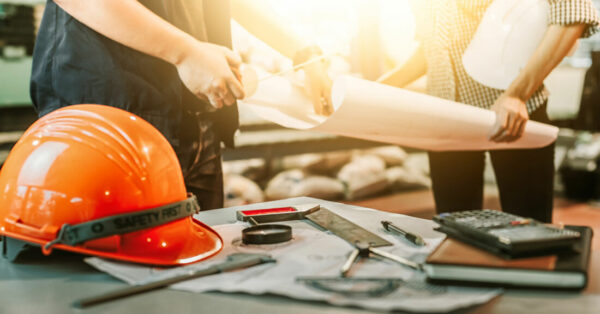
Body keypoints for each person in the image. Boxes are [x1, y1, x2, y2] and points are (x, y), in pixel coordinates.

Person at [30, 0, 331, 210]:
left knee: (200, 268)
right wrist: (185, 52)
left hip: (197, 120)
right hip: (110, 117)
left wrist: (302, 50)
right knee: (110, 274)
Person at [379, 0, 600, 222]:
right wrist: (380, 86)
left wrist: (516, 94)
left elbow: (573, 13)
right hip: (447, 117)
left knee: (529, 229)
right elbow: (434, 47)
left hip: (512, 113)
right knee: (454, 229)